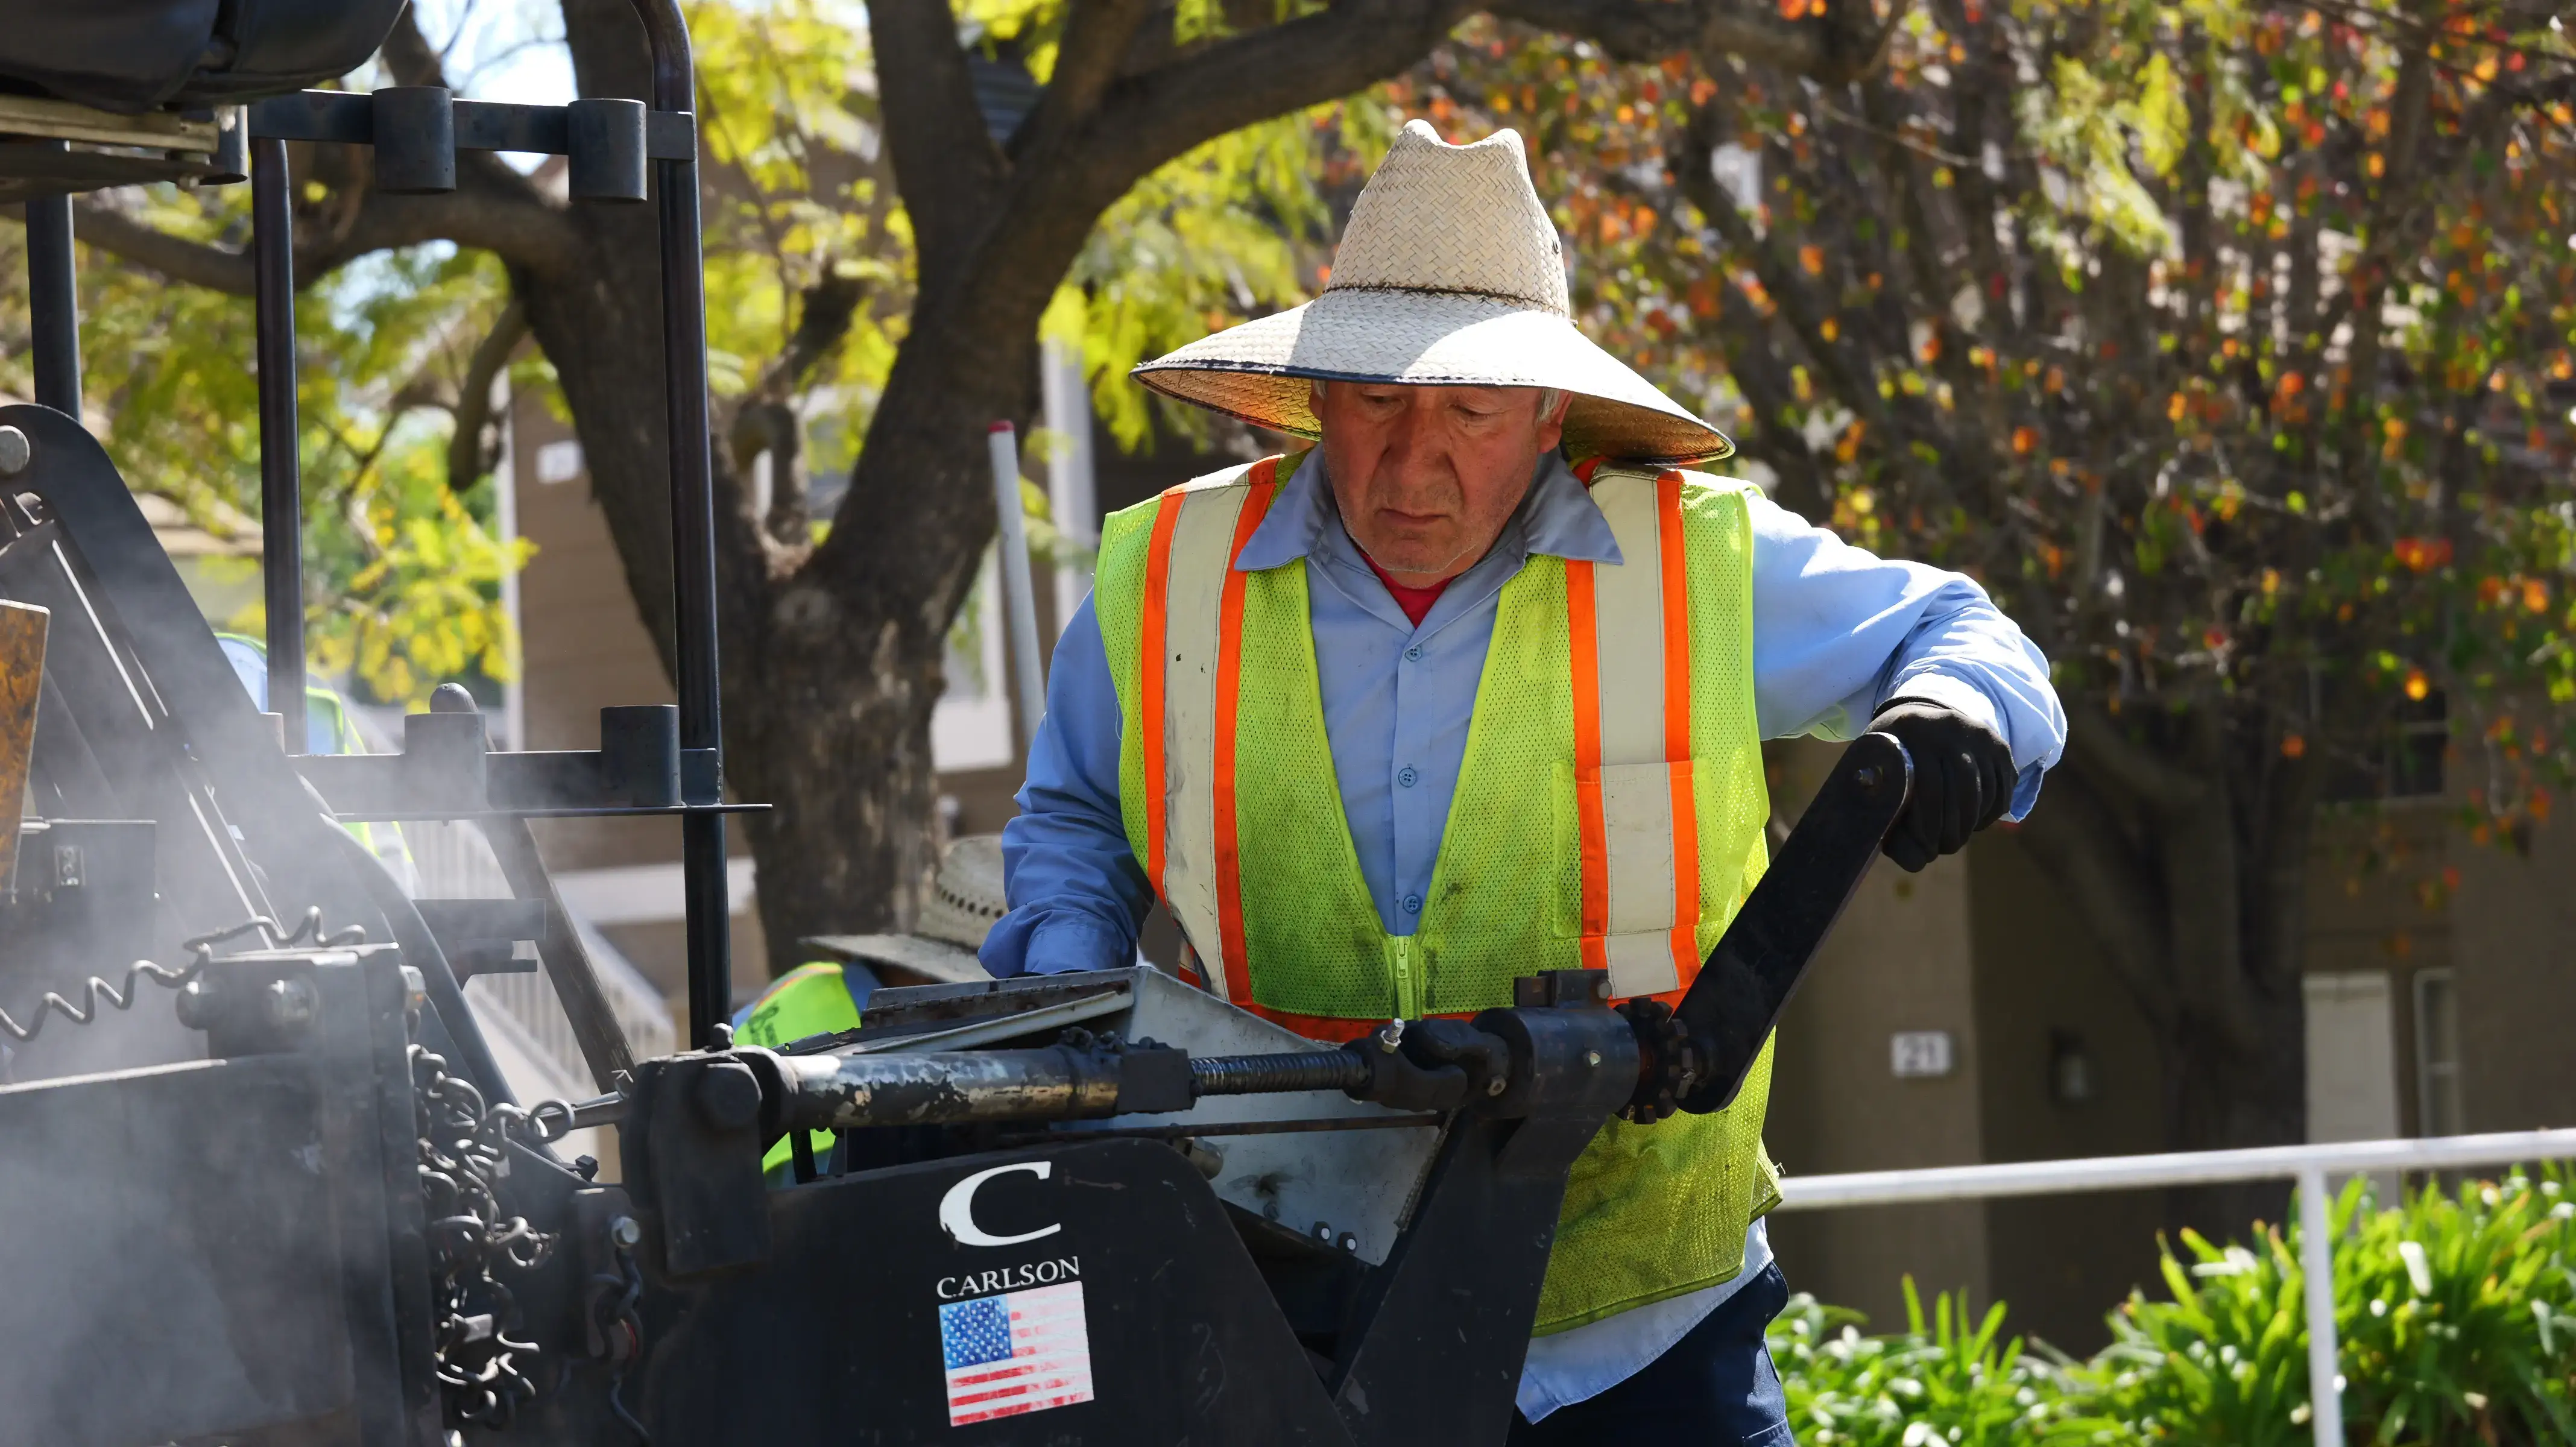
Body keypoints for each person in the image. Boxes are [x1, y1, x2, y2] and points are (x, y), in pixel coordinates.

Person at [980, 121, 2066, 1445]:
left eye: (1471, 412)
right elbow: (1075, 818)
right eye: (1377, 402)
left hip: (1642, 1336)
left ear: (1551, 416)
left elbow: (1969, 634)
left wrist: (1959, 714)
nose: (1412, 460)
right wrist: (1077, 1012)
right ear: (1318, 392)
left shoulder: (1696, 565)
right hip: (1298, 1315)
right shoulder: (1165, 582)